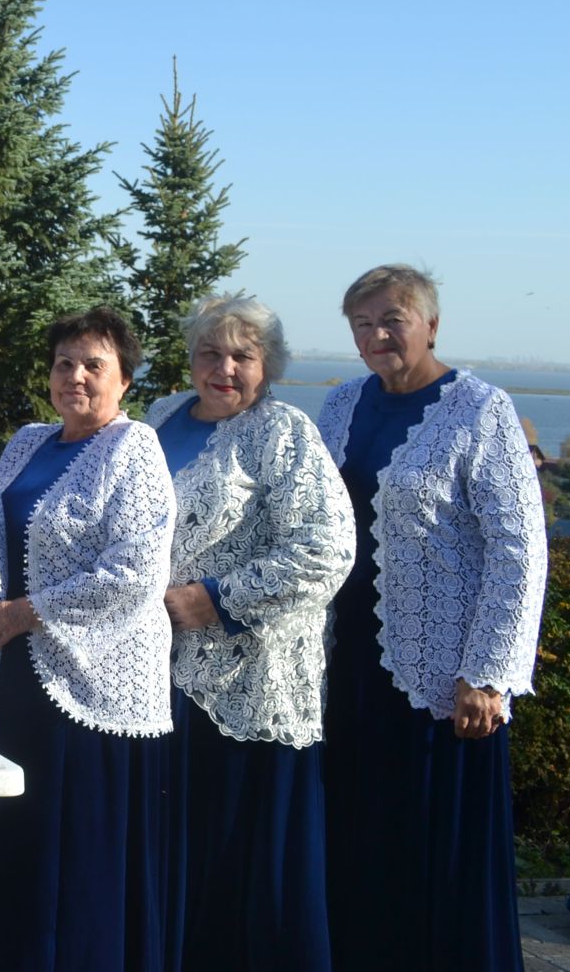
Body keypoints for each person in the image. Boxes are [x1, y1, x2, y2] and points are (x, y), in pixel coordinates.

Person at [317, 264, 548, 971]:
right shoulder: (341, 403)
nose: (377, 335)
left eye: (392, 319)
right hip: (348, 660)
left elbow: (520, 549)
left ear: (431, 325)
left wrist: (489, 674)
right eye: (363, 324)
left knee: (433, 847)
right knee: (359, 837)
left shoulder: (480, 408)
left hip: (442, 671)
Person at [144, 296, 354, 972]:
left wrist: (218, 599)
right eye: (211, 352)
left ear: (269, 366)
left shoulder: (283, 432)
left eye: (243, 355)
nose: (224, 367)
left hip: (249, 683)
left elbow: (327, 550)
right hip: (157, 677)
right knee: (179, 854)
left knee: (242, 860)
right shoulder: (158, 419)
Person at [0, 306, 177, 972]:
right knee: (25, 840)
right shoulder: (27, 441)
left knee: (81, 850)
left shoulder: (132, 447)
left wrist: (31, 611)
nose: (76, 376)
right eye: (65, 363)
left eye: (95, 365)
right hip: (26, 678)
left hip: (98, 683)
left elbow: (137, 569)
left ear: (124, 380)